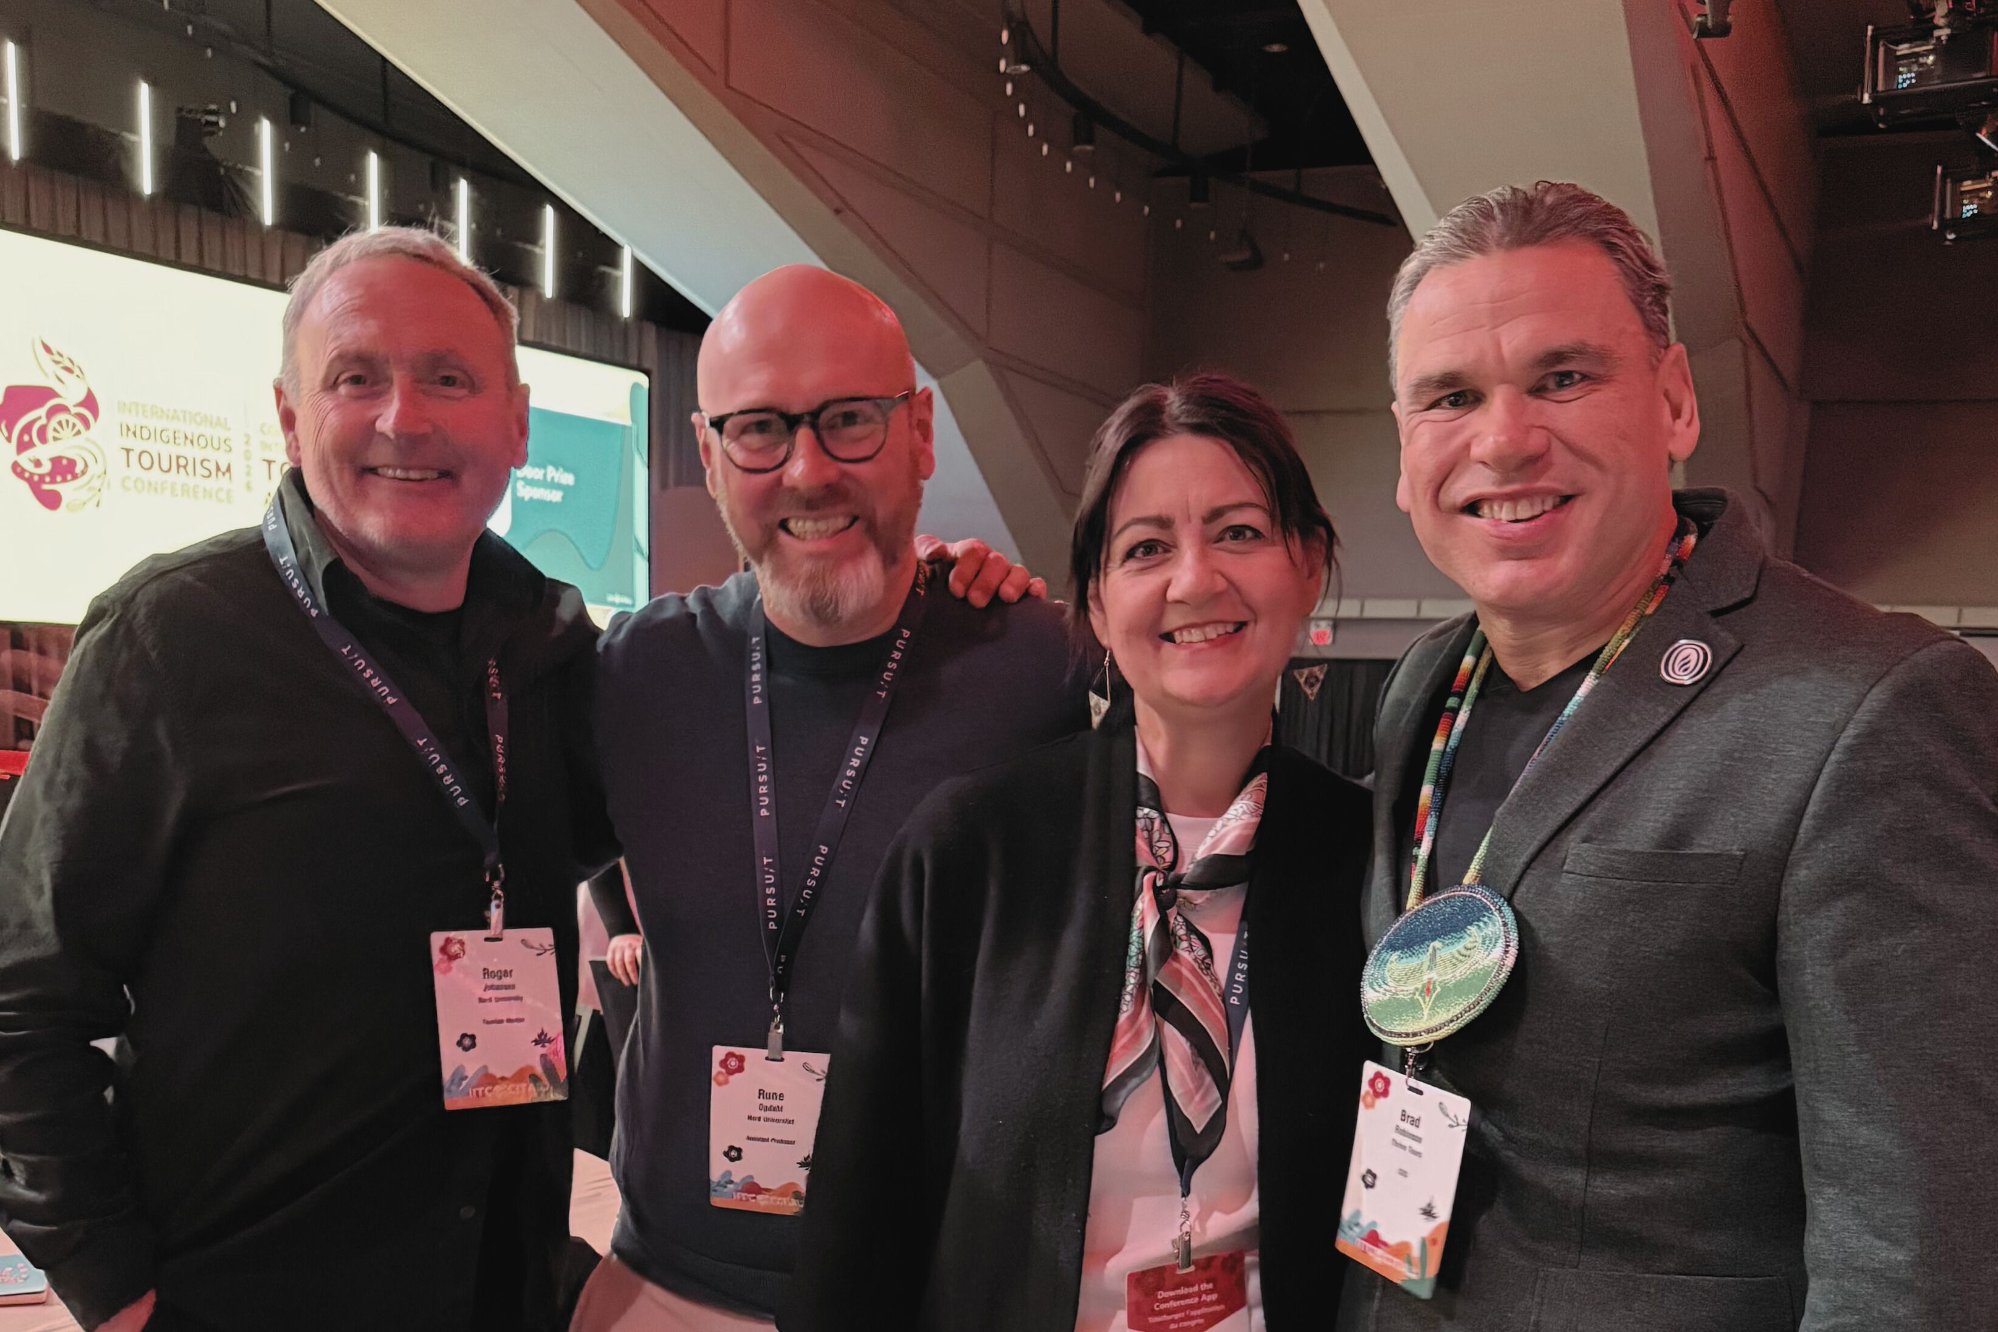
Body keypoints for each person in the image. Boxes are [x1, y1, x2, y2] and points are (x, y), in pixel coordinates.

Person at [1340, 181, 1998, 1331]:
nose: (1505, 439)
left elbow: (1916, 1253)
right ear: (1405, 454)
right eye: (1452, 397)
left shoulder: (1872, 707)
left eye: (1563, 377)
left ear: (1677, 400)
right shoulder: (1424, 690)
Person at [0, 227, 617, 1330]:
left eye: (449, 378)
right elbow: (20, 998)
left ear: (517, 423)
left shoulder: (553, 650)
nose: (404, 418)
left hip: (502, 1294)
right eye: (355, 378)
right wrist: (111, 1286)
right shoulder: (172, 639)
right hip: (245, 1298)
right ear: (289, 418)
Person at [784, 373, 1374, 1330]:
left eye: (1239, 532)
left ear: (1308, 564)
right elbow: (860, 1214)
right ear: (1096, 601)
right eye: (1147, 548)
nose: (1195, 580)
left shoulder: (1371, 861)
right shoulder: (972, 851)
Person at [576, 265, 1092, 1329]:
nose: (808, 471)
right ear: (709, 455)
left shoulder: (1035, 667)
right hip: (667, 1290)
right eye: (760, 429)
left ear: (921, 434)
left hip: (935, 1296)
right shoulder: (638, 673)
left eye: (851, 419)